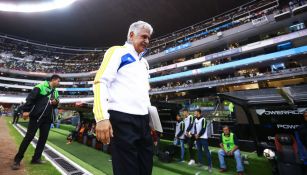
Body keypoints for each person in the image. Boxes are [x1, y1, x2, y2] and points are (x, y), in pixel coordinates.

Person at [93, 21, 153, 175]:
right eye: (144, 36)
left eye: (149, 38)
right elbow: (101, 82)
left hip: (143, 121)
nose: (147, 41)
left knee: (145, 168)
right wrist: (101, 118)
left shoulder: (145, 63)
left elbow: (145, 94)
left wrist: (151, 120)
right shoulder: (117, 52)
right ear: (132, 35)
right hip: (122, 119)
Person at [11, 75, 61, 170]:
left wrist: (56, 103)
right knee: (29, 137)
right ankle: (17, 160)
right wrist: (26, 110)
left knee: (43, 139)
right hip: (36, 117)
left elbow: (55, 105)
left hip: (47, 119)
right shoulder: (40, 86)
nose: (59, 83)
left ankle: (36, 158)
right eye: (58, 81)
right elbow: (30, 98)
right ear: (53, 80)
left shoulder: (56, 91)